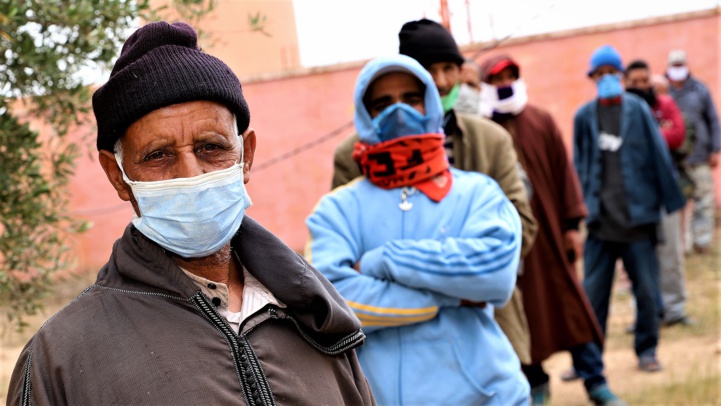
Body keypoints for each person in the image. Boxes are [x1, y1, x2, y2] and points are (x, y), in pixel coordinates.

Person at [7, 21, 375, 406]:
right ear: (118, 176)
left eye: (211, 147)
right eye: (158, 155)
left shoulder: (316, 315)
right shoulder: (62, 356)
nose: (190, 175)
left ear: (245, 156)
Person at [306, 53, 529, 405]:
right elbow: (334, 305)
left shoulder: (477, 193)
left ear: (431, 104)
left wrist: (384, 260)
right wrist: (450, 295)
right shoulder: (337, 209)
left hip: (488, 395)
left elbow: (495, 275)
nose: (399, 111)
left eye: (411, 99)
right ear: (365, 115)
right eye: (382, 103)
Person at [472, 54, 623, 406]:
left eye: (510, 75)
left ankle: (595, 381)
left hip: (551, 239)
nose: (504, 83)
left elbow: (564, 174)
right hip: (512, 249)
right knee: (527, 319)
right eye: (496, 78)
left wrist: (572, 226)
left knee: (573, 311)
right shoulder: (481, 132)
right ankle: (536, 384)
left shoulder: (540, 120)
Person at [573, 45, 686, 377]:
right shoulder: (583, 117)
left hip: (639, 221)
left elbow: (659, 157)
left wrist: (670, 205)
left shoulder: (638, 110)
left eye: (612, 73)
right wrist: (576, 212)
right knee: (592, 298)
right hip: (600, 225)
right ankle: (589, 361)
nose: (607, 79)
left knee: (648, 293)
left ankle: (647, 350)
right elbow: (577, 166)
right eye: (600, 74)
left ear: (621, 77)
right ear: (592, 79)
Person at [624, 59, 693, 328]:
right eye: (634, 82)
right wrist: (656, 134)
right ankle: (644, 314)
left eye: (644, 80)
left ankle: (675, 309)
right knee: (638, 258)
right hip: (634, 196)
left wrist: (647, 137)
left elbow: (677, 134)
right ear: (626, 84)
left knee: (671, 252)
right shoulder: (621, 111)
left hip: (665, 190)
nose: (640, 86)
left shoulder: (665, 104)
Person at [666, 49, 720, 255]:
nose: (678, 69)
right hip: (674, 159)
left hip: (700, 156)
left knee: (704, 200)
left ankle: (702, 241)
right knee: (679, 203)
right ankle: (682, 245)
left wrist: (715, 149)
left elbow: (713, 120)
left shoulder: (700, 90)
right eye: (675, 65)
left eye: (681, 65)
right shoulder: (663, 91)